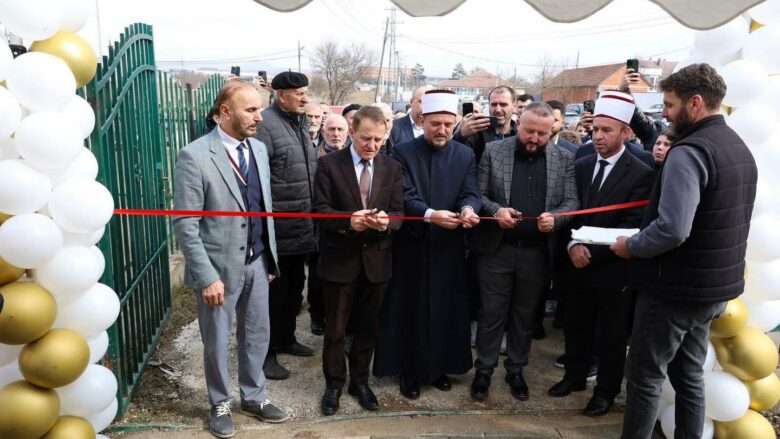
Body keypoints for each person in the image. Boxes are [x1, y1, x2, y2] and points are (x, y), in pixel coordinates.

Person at [610, 63, 757, 439]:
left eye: (670, 104)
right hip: (712, 289)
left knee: (644, 377)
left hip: (674, 289)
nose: (663, 113)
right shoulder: (738, 147)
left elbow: (673, 228)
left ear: (695, 103)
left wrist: (631, 246)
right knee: (690, 376)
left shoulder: (688, 152)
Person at [173, 81, 289, 438]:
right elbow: (185, 224)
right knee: (217, 340)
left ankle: (253, 398)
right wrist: (206, 276)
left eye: (259, 109)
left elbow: (261, 208)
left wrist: (267, 260)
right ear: (225, 112)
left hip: (256, 263)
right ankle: (219, 402)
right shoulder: (194, 156)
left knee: (257, 335)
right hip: (218, 269)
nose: (260, 117)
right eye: (250, 110)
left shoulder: (257, 149)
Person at [547, 91, 654, 418]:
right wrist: (571, 245)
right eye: (595, 129)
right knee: (576, 326)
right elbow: (568, 211)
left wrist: (592, 251)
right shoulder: (579, 166)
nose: (598, 136)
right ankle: (574, 377)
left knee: (610, 335)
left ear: (626, 132)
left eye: (607, 130)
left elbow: (632, 225)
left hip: (613, 268)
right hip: (576, 264)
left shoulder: (642, 172)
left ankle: (606, 391)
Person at [374, 89, 481, 399]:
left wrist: (469, 209)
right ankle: (410, 370)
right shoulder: (403, 152)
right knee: (411, 310)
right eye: (436, 124)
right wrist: (431, 215)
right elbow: (403, 195)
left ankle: (440, 368)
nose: (442, 130)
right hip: (413, 247)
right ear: (422, 120)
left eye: (449, 124)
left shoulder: (464, 154)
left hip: (448, 248)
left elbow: (470, 191)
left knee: (447, 310)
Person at [468, 102, 578, 402]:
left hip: (537, 254)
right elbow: (478, 194)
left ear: (551, 129)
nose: (534, 139)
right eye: (529, 131)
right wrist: (496, 210)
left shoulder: (564, 158)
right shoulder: (494, 152)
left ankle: (516, 369)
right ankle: (484, 370)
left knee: (526, 316)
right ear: (519, 125)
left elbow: (571, 202)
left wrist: (555, 219)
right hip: (497, 250)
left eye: (542, 134)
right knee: (491, 315)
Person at [314, 106, 405, 416]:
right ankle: (335, 384)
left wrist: (386, 223)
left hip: (377, 260)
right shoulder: (328, 166)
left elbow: (398, 213)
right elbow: (320, 211)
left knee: (369, 327)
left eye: (379, 139)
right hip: (340, 259)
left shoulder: (391, 168)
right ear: (352, 132)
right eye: (366, 138)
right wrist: (347, 222)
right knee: (336, 328)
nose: (372, 145)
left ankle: (361, 382)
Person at [254, 71, 317, 380]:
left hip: (302, 226)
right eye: (299, 93)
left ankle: (286, 338)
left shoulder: (300, 123)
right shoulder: (266, 125)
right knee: (272, 296)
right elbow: (259, 179)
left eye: (306, 92)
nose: (305, 97)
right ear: (281, 95)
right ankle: (265, 355)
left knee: (294, 291)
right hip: (278, 229)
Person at [454, 86, 518, 166]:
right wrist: (460, 136)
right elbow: (454, 157)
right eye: (494, 104)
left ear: (514, 106)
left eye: (503, 104)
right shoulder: (476, 131)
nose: (498, 110)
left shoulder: (520, 134)